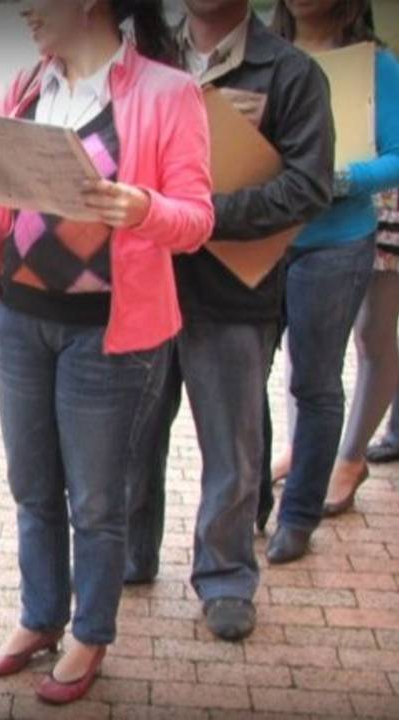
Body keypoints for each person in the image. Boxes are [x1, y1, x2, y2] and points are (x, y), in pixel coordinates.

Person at [0, 0, 213, 704]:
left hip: (109, 334)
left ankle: (90, 632)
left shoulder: (168, 92)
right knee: (31, 486)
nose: (25, 10)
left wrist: (144, 208)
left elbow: (197, 218)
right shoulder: (26, 85)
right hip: (19, 320)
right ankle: (40, 618)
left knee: (96, 500)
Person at [123, 0, 334, 642]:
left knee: (233, 450)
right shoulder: (144, 56)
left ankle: (226, 577)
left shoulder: (289, 72)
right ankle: (130, 555)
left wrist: (199, 214)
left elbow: (308, 186)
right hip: (145, 280)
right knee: (131, 437)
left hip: (233, 293)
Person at [264, 0, 399, 562]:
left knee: (317, 379)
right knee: (246, 376)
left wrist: (337, 177)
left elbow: (395, 156)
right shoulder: (262, 53)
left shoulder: (374, 66)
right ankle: (252, 500)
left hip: (336, 240)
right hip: (262, 237)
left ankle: (299, 514)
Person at [328, 186, 399, 512]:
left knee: (373, 331)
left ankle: (350, 459)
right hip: (333, 202)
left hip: (387, 204)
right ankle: (303, 449)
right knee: (310, 325)